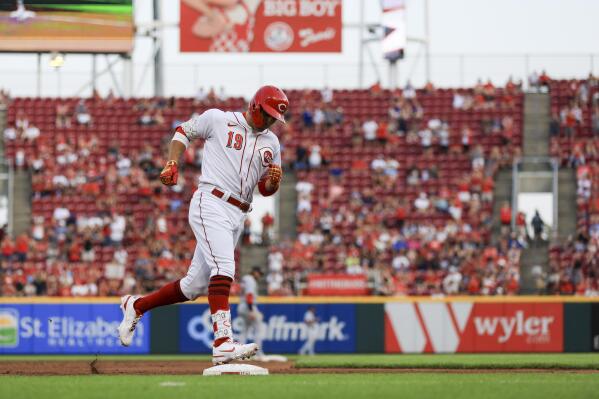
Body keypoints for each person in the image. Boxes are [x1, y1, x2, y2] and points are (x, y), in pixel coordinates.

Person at [118, 85, 288, 366]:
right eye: (267, 114)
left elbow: (264, 188)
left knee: (192, 286)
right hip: (211, 201)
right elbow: (182, 131)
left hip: (239, 213)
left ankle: (136, 305)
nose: (270, 121)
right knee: (224, 269)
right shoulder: (220, 119)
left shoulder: (272, 142)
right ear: (255, 106)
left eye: (274, 118)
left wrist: (273, 182)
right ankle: (222, 343)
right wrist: (172, 162)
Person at [237, 266, 265, 360]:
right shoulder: (251, 280)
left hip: (241, 306)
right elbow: (249, 295)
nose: (259, 276)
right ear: (254, 272)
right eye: (259, 273)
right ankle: (258, 354)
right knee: (258, 329)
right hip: (248, 306)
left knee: (244, 331)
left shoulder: (245, 279)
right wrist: (251, 311)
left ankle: (240, 354)